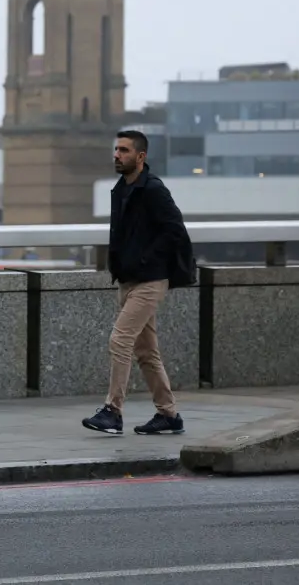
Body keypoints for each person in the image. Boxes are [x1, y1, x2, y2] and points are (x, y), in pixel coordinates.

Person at [83, 130, 190, 437]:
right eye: (116, 149)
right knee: (146, 352)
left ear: (141, 157)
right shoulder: (121, 189)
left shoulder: (153, 190)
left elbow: (175, 230)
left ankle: (112, 412)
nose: (117, 155)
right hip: (128, 280)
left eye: (125, 151)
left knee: (120, 340)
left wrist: (145, 260)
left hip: (150, 280)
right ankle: (169, 415)